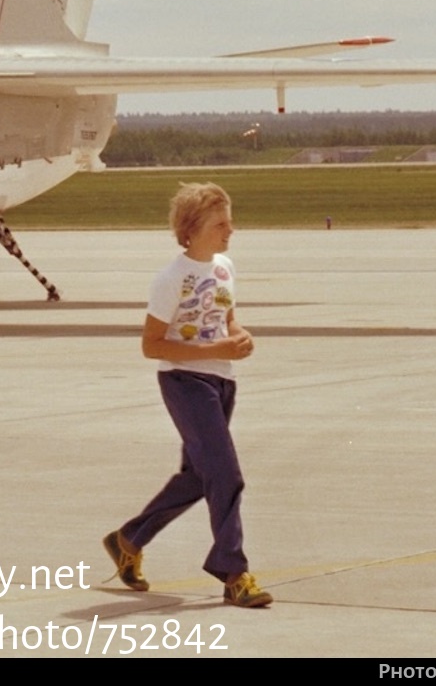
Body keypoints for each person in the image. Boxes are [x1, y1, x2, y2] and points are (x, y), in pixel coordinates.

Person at [104, 182, 273, 608]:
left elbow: (226, 318)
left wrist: (239, 337)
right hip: (185, 382)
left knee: (201, 476)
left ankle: (129, 539)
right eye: (220, 223)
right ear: (192, 228)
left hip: (221, 382)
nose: (230, 230)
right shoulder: (171, 279)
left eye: (230, 221)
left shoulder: (225, 268)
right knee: (227, 475)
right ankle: (234, 574)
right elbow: (152, 345)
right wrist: (215, 349)